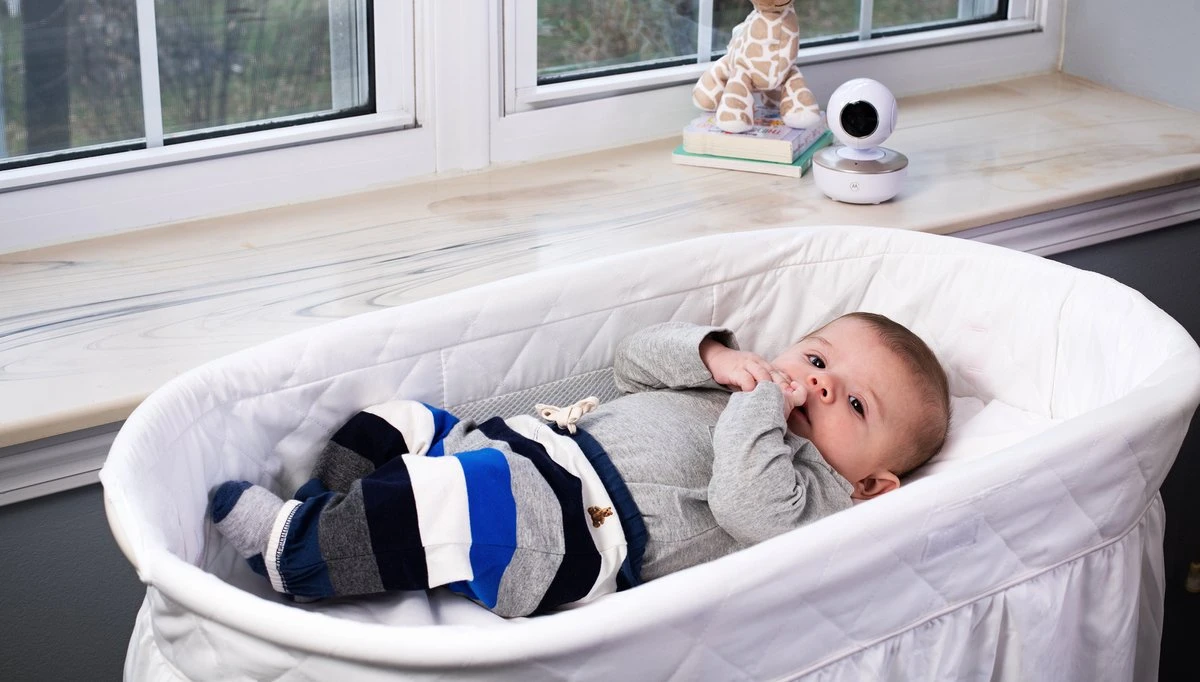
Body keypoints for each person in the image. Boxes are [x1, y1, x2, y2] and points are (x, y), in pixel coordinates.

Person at [210, 312, 950, 617]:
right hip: (526, 445)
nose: (821, 385)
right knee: (401, 421)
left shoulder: (816, 494)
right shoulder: (734, 381)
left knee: (454, 499)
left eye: (856, 405)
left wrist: (762, 408)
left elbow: (745, 505)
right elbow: (631, 363)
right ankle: (336, 510)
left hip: (571, 530)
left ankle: (298, 552)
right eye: (817, 359)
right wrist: (713, 357)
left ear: (872, 483)